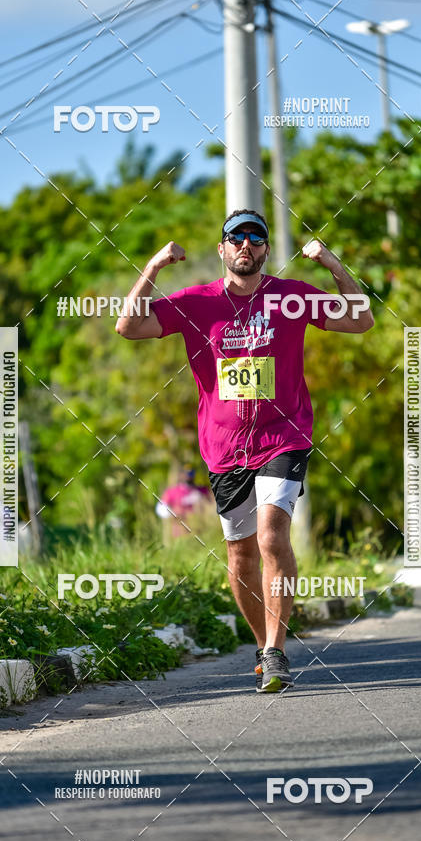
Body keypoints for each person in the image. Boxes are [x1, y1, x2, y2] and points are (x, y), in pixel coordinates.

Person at [116, 209, 374, 692]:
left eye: (256, 238)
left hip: (284, 434)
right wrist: (152, 268)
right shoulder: (197, 302)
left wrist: (332, 263)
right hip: (225, 449)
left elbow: (360, 320)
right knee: (239, 556)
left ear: (265, 250)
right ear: (222, 248)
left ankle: (276, 651)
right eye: (237, 237)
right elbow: (128, 327)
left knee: (272, 535)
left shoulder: (291, 297)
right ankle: (263, 645)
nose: (246, 246)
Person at [155, 467, 212, 538]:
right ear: (180, 475)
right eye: (186, 473)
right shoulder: (172, 492)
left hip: (202, 531)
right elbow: (161, 510)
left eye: (191, 474)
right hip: (180, 533)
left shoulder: (202, 490)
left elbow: (213, 505)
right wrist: (174, 512)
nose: (189, 476)